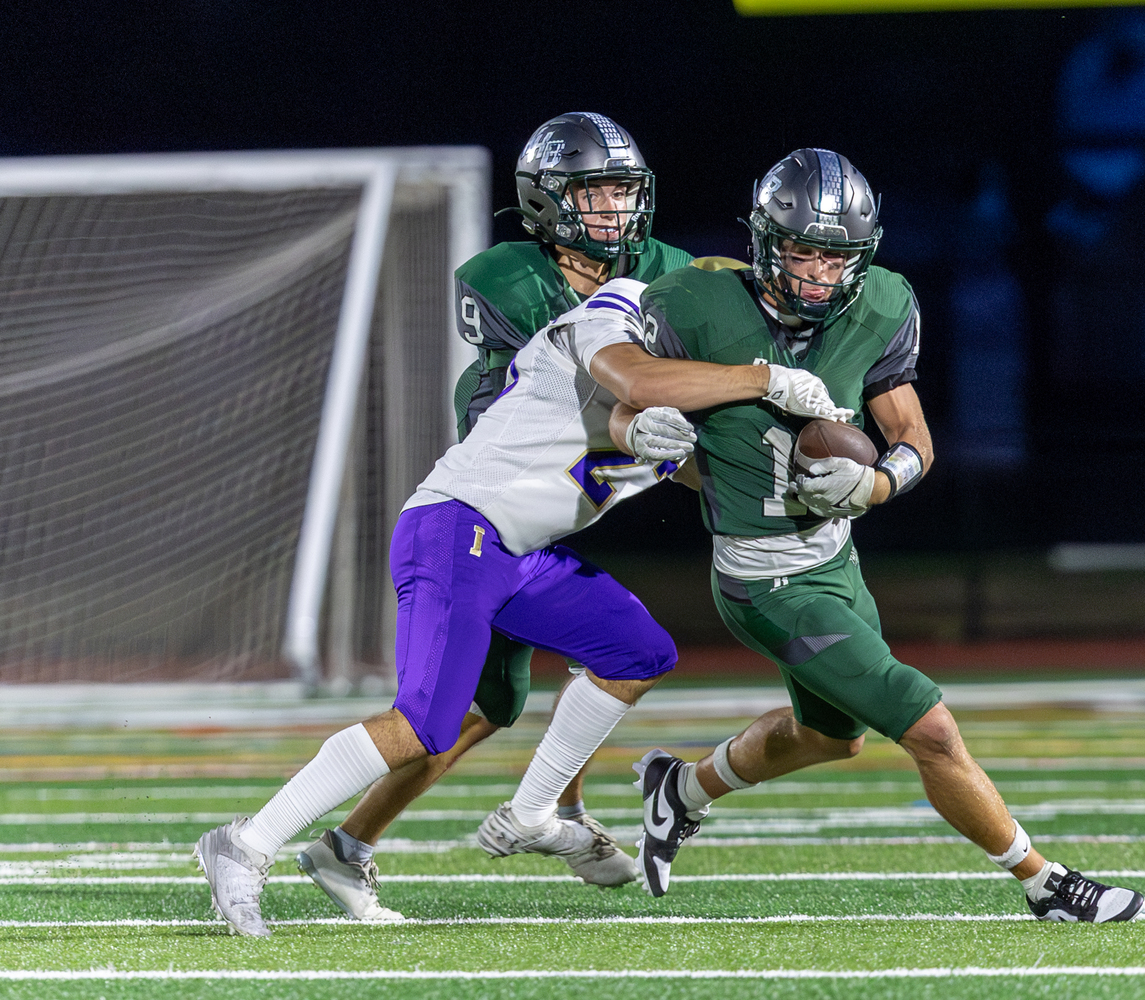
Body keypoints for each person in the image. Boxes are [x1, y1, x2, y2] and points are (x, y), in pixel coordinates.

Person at [193, 274, 852, 938]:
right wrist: (766, 378)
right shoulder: (620, 310)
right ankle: (246, 843)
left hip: (516, 553)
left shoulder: (694, 383)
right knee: (424, 724)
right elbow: (637, 386)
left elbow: (662, 441)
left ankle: (536, 813)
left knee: (638, 650)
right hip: (459, 526)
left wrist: (805, 478)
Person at [616, 149, 1145, 922]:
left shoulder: (885, 303)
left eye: (837, 258)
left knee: (831, 738)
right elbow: (622, 397)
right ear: (765, 241)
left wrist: (878, 481)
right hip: (763, 577)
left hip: (835, 557)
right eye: (803, 251)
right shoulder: (690, 302)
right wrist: (642, 434)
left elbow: (912, 434)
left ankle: (681, 788)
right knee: (927, 725)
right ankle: (1046, 885)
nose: (820, 275)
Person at [296, 112, 699, 921]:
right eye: (594, 192)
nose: (615, 210)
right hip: (505, 495)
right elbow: (564, 395)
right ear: (547, 203)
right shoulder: (507, 276)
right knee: (476, 706)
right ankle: (354, 841)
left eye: (623, 190)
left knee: (563, 670)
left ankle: (531, 813)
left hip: (579, 488)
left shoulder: (671, 270)